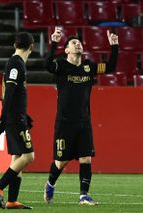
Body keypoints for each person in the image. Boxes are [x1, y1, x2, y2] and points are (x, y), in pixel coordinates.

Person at [43, 27, 119, 205]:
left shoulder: (89, 67)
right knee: (61, 163)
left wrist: (114, 46)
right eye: (73, 43)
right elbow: (47, 65)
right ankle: (50, 183)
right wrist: (53, 43)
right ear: (67, 50)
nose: (78, 44)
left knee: (86, 158)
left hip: (84, 122)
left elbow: (110, 67)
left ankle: (83, 195)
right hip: (64, 123)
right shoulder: (61, 65)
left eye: (79, 43)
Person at [0, 32, 35, 209]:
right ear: (31, 47)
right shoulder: (16, 64)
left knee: (17, 158)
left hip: (17, 116)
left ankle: (12, 200)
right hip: (14, 118)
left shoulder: (16, 63)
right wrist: (3, 117)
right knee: (28, 156)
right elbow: (9, 91)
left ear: (14, 45)